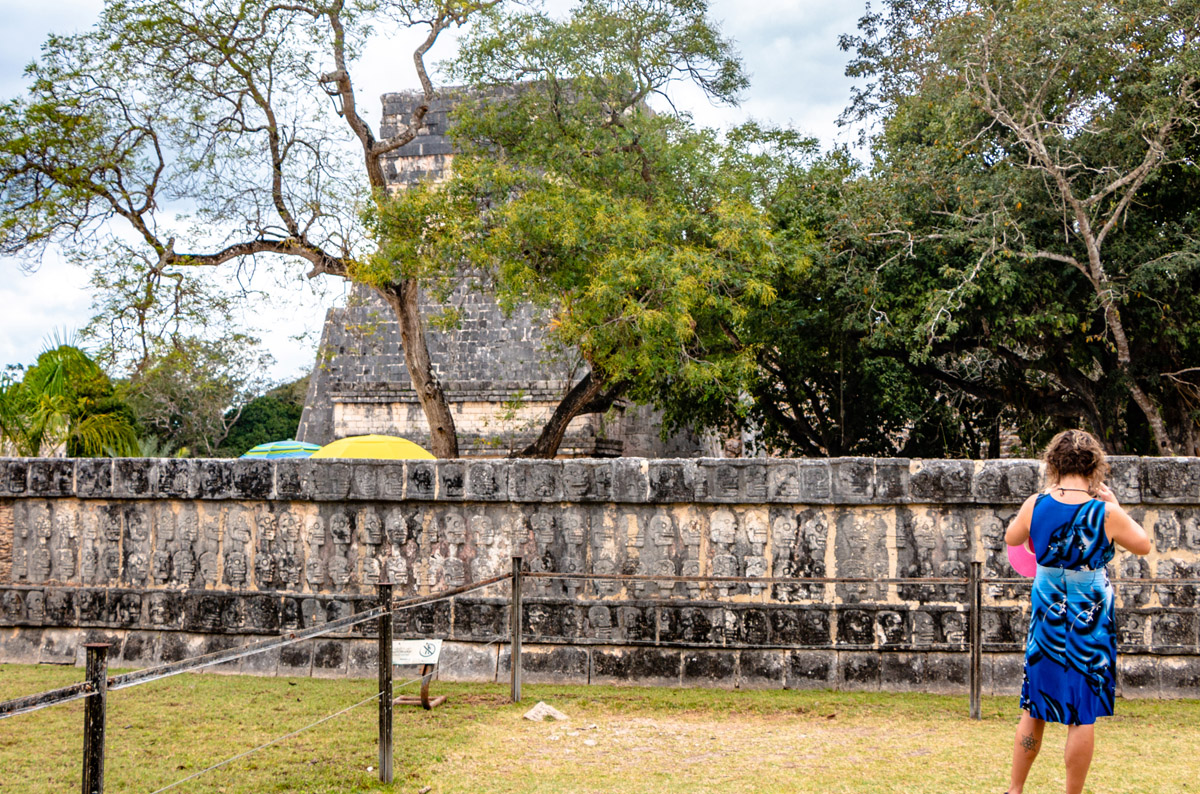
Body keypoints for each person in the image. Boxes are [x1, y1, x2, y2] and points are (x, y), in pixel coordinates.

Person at [1002, 429, 1151, 794]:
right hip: (1090, 623)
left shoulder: (1035, 504)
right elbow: (1144, 545)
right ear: (1094, 466)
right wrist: (1116, 505)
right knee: (1082, 714)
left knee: (1034, 707)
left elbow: (1012, 539)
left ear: (1053, 463)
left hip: (1048, 620)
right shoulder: (1106, 512)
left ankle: (1015, 790)